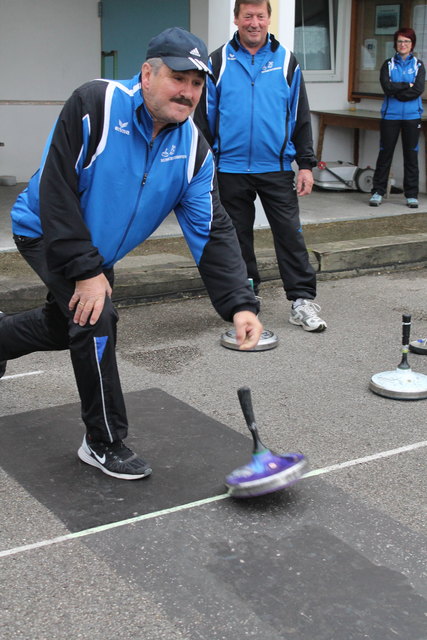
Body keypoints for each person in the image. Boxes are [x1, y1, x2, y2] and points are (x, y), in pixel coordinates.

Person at [0, 27, 263, 480]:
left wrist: (239, 302)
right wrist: (85, 272)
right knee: (93, 317)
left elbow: (212, 230)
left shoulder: (194, 151)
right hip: (46, 230)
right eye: (178, 78)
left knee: (66, 325)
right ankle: (103, 441)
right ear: (147, 73)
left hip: (96, 248)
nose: (187, 92)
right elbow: (57, 194)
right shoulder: (95, 104)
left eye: (197, 84)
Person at [194, 0, 327, 333]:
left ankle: (301, 300)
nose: (254, 22)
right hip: (230, 167)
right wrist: (203, 165)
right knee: (235, 239)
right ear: (236, 19)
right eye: (247, 16)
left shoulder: (286, 62)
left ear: (269, 19)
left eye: (260, 16)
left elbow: (300, 117)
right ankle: (245, 300)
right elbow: (203, 121)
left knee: (289, 235)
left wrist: (306, 165)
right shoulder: (217, 61)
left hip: (275, 166)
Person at [369, 28, 426, 208]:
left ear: (412, 45)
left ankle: (411, 195)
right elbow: (387, 88)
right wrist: (405, 86)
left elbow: (418, 89)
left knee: (411, 155)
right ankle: (377, 192)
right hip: (390, 116)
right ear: (395, 44)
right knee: (385, 153)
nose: (403, 45)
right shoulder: (388, 65)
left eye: (407, 42)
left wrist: (398, 90)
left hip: (412, 116)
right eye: (400, 41)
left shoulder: (419, 65)